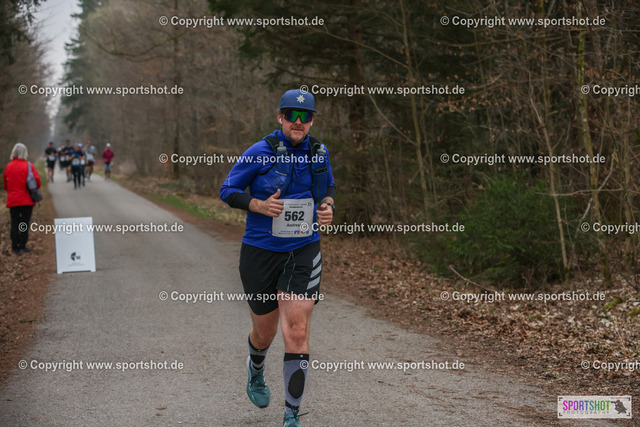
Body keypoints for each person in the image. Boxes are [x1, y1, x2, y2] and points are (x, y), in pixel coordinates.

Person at [220, 89, 336, 427]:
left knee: (296, 331)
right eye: (291, 116)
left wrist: (328, 206)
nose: (298, 122)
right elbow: (228, 191)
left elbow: (328, 189)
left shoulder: (319, 153)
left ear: (312, 120)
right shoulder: (260, 151)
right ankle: (256, 367)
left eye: (305, 117)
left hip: (303, 250)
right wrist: (258, 204)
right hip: (260, 252)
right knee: (265, 332)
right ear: (280, 117)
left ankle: (291, 415)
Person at [3, 143, 41, 254]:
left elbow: (5, 185)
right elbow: (37, 182)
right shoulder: (29, 166)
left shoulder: (8, 167)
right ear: (25, 153)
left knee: (14, 223)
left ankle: (15, 247)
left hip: (13, 200)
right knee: (24, 223)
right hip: (26, 200)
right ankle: (23, 246)